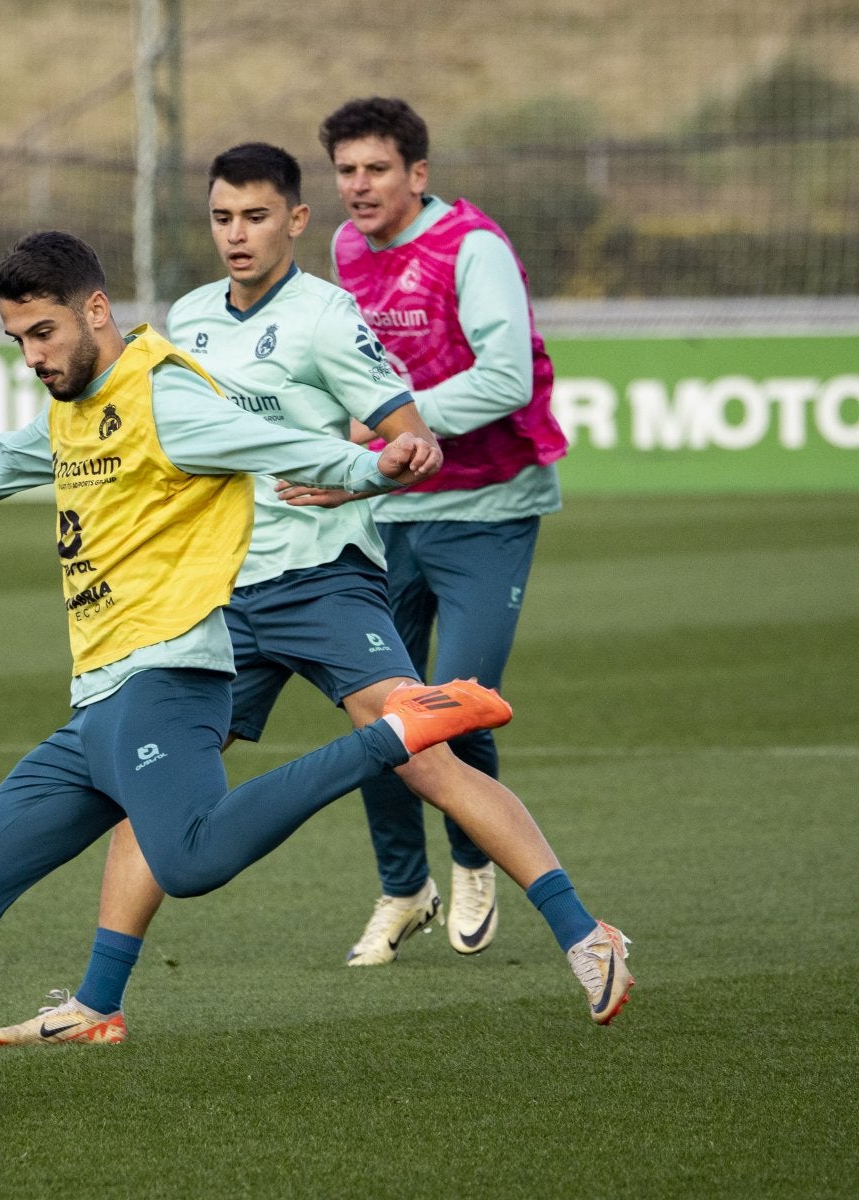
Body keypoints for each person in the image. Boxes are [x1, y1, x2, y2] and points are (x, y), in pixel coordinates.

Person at [0, 230, 521, 1111]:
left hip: (169, 682)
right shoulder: (77, 408)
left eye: (43, 333)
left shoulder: (165, 394)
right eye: (18, 341)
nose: (33, 356)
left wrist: (370, 465)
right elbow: (4, 460)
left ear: (95, 311)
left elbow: (267, 442)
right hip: (99, 707)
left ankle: (397, 734)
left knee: (187, 860)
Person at [0, 144, 630, 1050]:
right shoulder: (186, 318)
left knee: (421, 749)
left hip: (323, 583)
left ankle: (585, 933)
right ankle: (99, 1003)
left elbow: (413, 444)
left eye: (255, 216)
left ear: (295, 219)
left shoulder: (331, 317)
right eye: (221, 218)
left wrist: (357, 481)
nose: (236, 235)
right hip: (216, 596)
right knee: (150, 785)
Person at [308, 97, 576, 972]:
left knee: (458, 698)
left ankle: (474, 859)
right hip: (386, 511)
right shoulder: (347, 250)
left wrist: (388, 432)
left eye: (375, 168)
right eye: (346, 170)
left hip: (486, 506)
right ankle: (402, 888)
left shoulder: (473, 248)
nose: (358, 186)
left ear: (417, 174)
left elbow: (502, 376)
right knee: (382, 703)